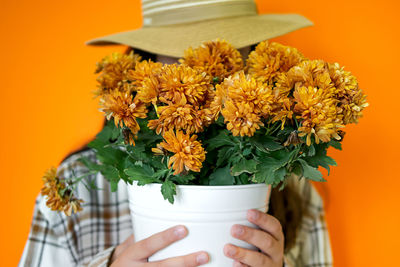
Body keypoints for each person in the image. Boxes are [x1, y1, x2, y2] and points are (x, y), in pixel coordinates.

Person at [19, 1, 332, 266]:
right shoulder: (79, 183)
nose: (205, 73)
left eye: (229, 54)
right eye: (182, 55)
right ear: (147, 61)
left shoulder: (289, 180)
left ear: (254, 62)